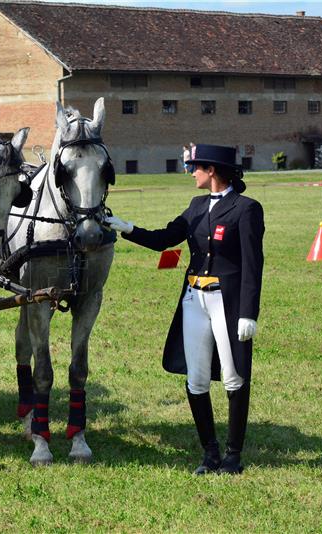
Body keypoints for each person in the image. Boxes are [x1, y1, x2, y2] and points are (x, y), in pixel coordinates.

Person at [105, 144, 264, 475]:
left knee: (234, 377)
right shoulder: (196, 206)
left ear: (212, 171)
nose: (191, 172)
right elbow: (165, 239)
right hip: (194, 299)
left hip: (227, 301)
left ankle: (233, 456)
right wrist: (124, 226)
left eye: (196, 168)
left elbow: (253, 264)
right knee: (196, 379)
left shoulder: (246, 209)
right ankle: (210, 453)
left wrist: (249, 312)